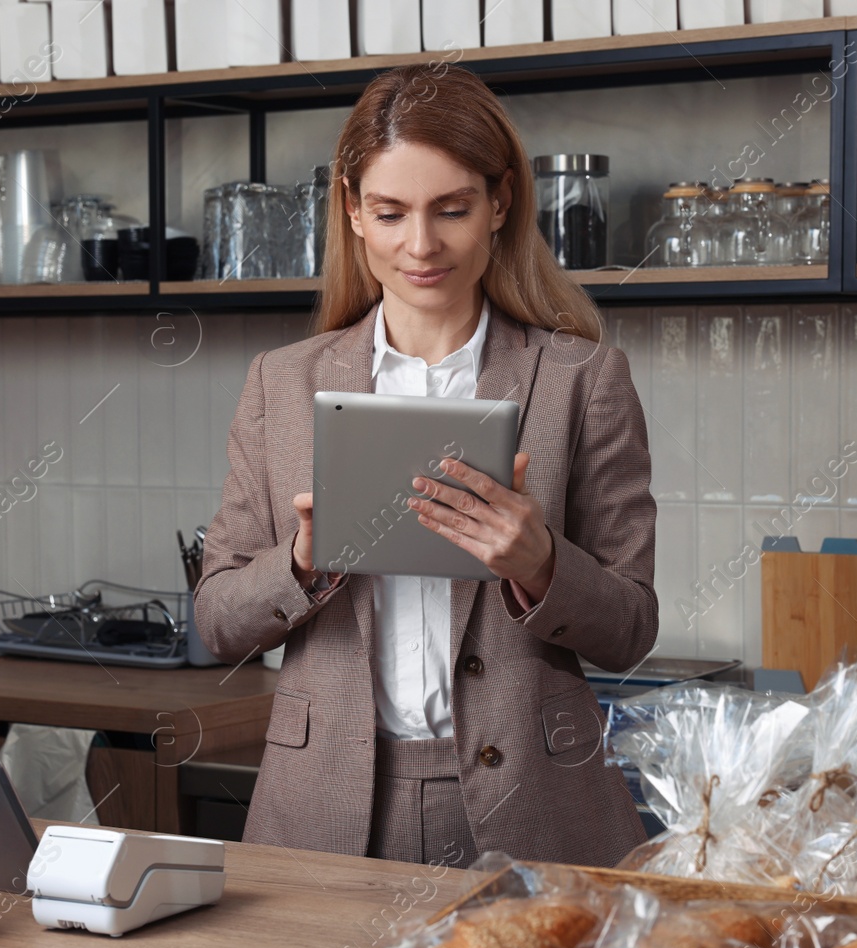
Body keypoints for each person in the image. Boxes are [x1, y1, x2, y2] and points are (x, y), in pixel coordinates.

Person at [193, 63, 658, 870]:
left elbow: (631, 629)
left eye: (452, 209)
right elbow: (217, 619)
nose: (421, 244)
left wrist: (541, 565)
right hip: (328, 806)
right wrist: (301, 563)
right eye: (390, 212)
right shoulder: (282, 382)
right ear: (352, 212)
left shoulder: (583, 380)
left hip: (536, 809)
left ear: (500, 203)